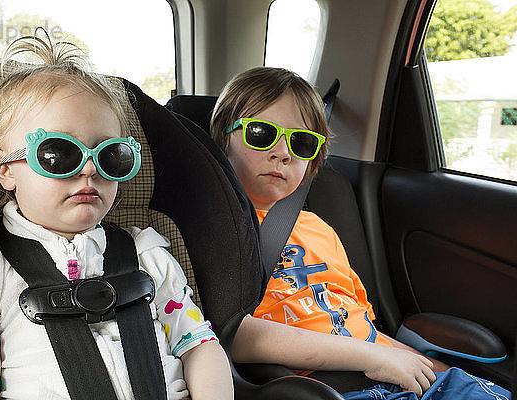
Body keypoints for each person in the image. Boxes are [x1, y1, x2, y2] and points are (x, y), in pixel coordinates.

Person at [0, 31, 233, 400]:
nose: (89, 170)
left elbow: (198, 344)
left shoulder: (146, 253)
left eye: (111, 155)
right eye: (59, 154)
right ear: (6, 169)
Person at [210, 66, 510, 400]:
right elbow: (233, 333)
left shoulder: (319, 229)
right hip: (318, 388)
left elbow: (362, 324)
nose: (282, 152)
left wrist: (429, 368)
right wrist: (374, 357)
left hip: (390, 372)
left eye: (303, 142)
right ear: (223, 138)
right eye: (262, 133)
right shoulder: (213, 230)